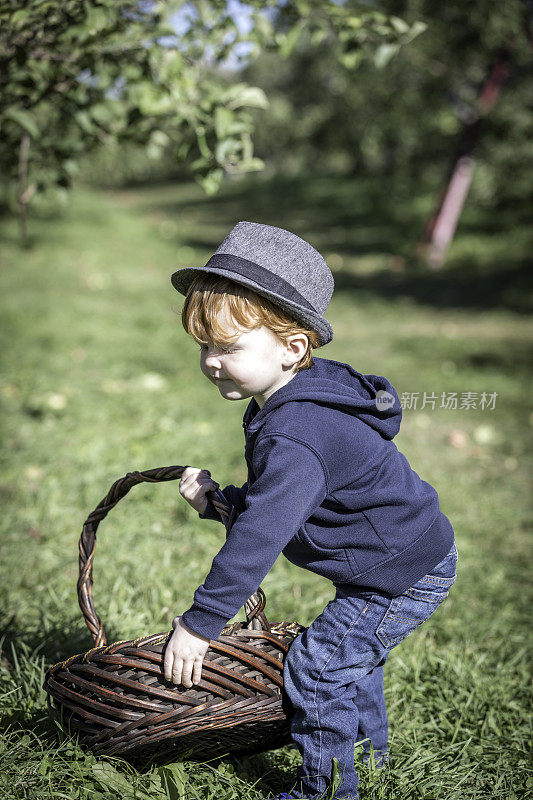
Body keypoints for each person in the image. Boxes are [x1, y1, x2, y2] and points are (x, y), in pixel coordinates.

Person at [163, 221, 458, 800]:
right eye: (204, 345)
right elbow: (286, 502)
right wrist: (223, 502)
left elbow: (261, 538)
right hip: (404, 557)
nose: (211, 362)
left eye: (227, 347)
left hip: (400, 573)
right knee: (350, 660)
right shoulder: (296, 396)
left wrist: (200, 624)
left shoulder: (298, 431)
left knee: (318, 667)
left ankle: (326, 791)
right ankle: (372, 764)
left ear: (292, 348)